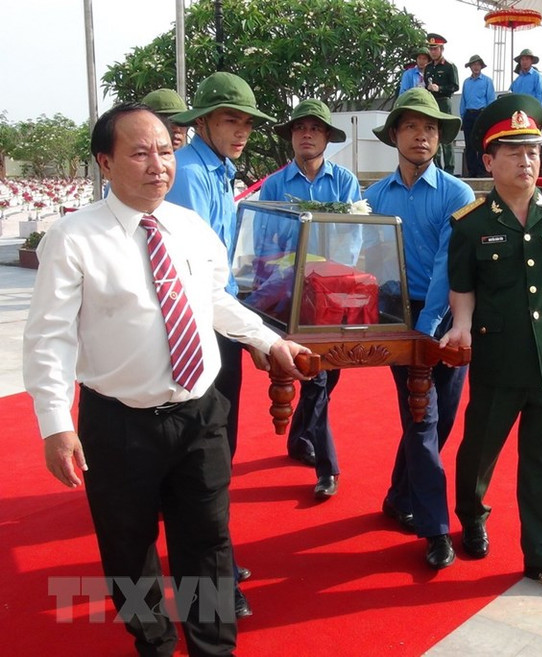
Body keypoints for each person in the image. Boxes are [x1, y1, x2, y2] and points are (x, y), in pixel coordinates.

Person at [23, 102, 308, 657]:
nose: (158, 165)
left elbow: (213, 299)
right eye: (140, 153)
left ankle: (212, 647)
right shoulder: (73, 238)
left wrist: (267, 340)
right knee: (128, 547)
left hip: (200, 414)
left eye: (165, 150)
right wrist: (55, 424)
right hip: (119, 423)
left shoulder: (190, 227)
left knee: (208, 542)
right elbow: (49, 336)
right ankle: (152, 642)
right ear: (106, 163)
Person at [440, 93, 542, 597]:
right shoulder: (471, 223)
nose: (526, 161)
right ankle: (472, 515)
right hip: (499, 358)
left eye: (532, 151)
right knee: (480, 450)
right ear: (489, 161)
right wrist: (461, 325)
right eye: (513, 152)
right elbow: (463, 286)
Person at [167, 71, 276, 619]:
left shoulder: (218, 170)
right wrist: (250, 330)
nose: (241, 132)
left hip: (221, 319)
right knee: (205, 456)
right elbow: (196, 276)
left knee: (216, 451)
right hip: (201, 328)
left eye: (247, 123)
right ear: (204, 121)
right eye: (231, 120)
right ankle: (213, 576)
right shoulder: (190, 175)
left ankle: (216, 561)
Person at [364, 88, 474, 569]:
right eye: (411, 126)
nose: (421, 136)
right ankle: (435, 528)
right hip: (398, 316)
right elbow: (363, 259)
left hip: (447, 316)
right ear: (395, 135)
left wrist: (427, 329)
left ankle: (397, 495)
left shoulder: (456, 193)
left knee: (439, 419)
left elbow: (450, 266)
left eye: (430, 128)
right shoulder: (373, 198)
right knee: (423, 419)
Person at [257, 99, 362, 500]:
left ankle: (300, 437)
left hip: (331, 294)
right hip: (288, 294)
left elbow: (353, 238)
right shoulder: (274, 184)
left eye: (315, 129)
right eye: (300, 128)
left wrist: (330, 279)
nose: (306, 135)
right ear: (291, 136)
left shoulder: (344, 182)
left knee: (328, 376)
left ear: (326, 138)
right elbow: (265, 240)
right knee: (316, 379)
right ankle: (327, 467)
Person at [424, 33, 459, 174]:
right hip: (432, 102)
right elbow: (426, 83)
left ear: (441, 49)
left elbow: (455, 86)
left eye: (435, 49)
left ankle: (449, 169)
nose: (433, 52)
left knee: (446, 135)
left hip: (444, 101)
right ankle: (437, 167)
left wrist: (440, 88)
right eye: (431, 49)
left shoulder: (449, 66)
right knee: (433, 134)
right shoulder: (428, 67)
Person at [460, 54, 496, 178]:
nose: (476, 67)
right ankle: (472, 171)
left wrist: (488, 117)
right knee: (469, 145)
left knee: (481, 144)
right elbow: (463, 101)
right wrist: (463, 116)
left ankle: (482, 171)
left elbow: (491, 100)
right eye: (473, 65)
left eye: (478, 64)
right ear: (470, 67)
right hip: (469, 114)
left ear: (481, 66)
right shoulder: (466, 82)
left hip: (481, 114)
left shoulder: (487, 81)